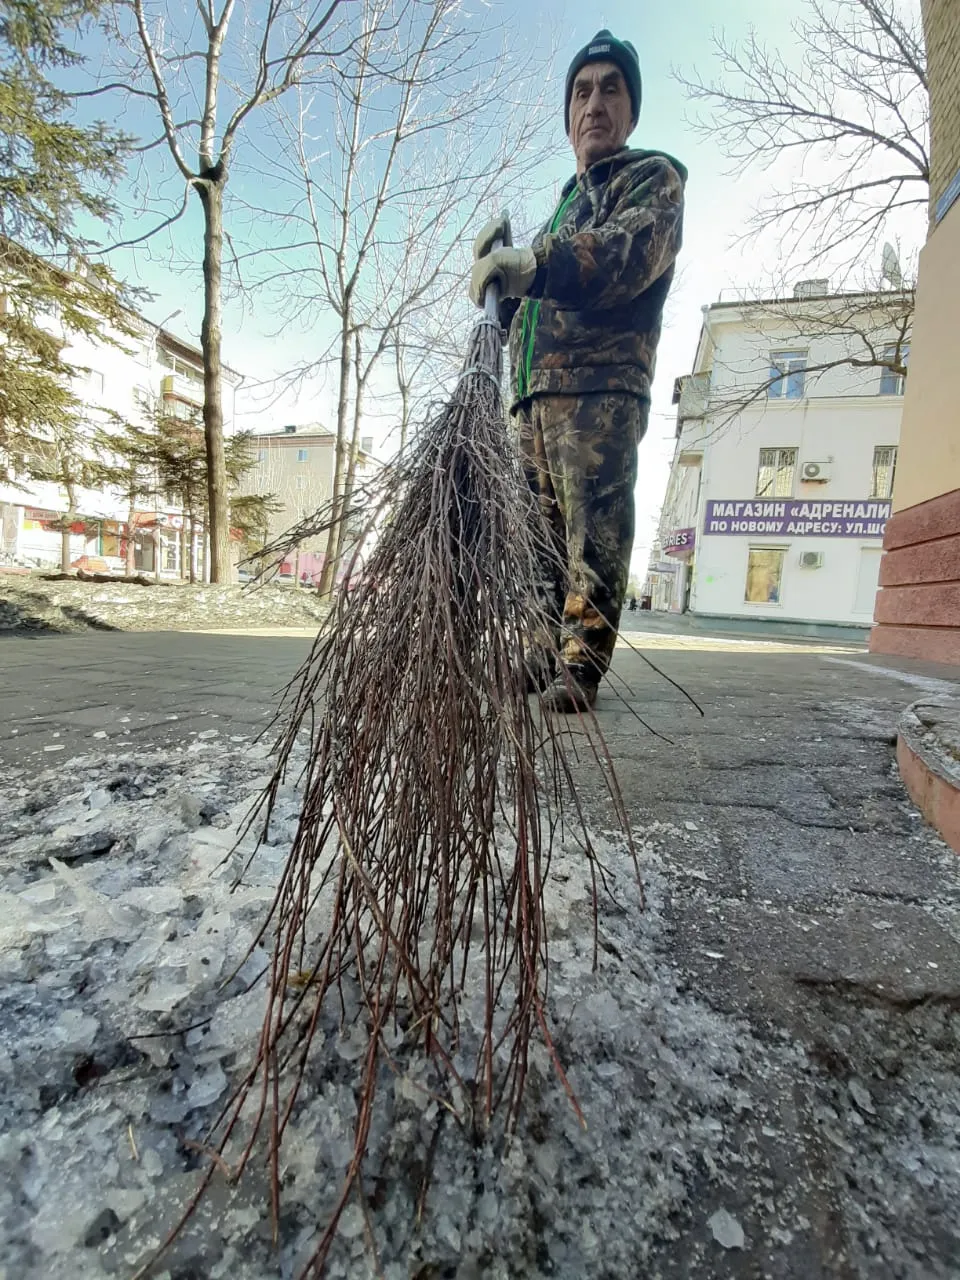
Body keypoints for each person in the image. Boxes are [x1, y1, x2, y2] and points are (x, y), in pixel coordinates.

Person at [469, 30, 686, 712]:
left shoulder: (651, 180)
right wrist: (497, 300)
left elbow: (620, 256)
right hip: (531, 398)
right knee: (536, 540)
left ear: (631, 111)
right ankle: (538, 650)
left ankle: (581, 663)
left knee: (593, 529)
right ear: (568, 115)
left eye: (611, 89)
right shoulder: (564, 205)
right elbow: (536, 291)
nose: (595, 103)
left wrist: (535, 265)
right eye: (582, 91)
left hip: (597, 392)